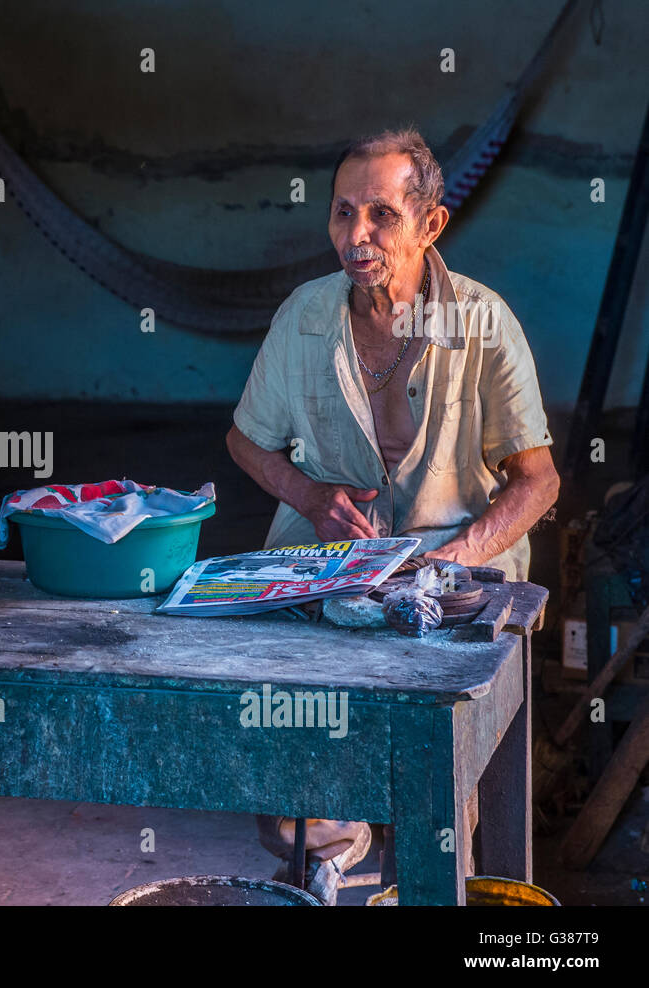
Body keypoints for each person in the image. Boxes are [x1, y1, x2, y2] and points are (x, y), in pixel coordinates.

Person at [225, 127, 559, 903]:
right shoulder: (305, 317)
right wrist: (310, 497)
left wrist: (461, 557)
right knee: (300, 729)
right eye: (343, 213)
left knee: (438, 767)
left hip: (459, 570)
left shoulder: (484, 321)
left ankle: (432, 877)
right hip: (327, 560)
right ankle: (320, 859)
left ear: (431, 224)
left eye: (381, 214)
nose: (357, 236)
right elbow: (244, 441)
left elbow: (536, 482)